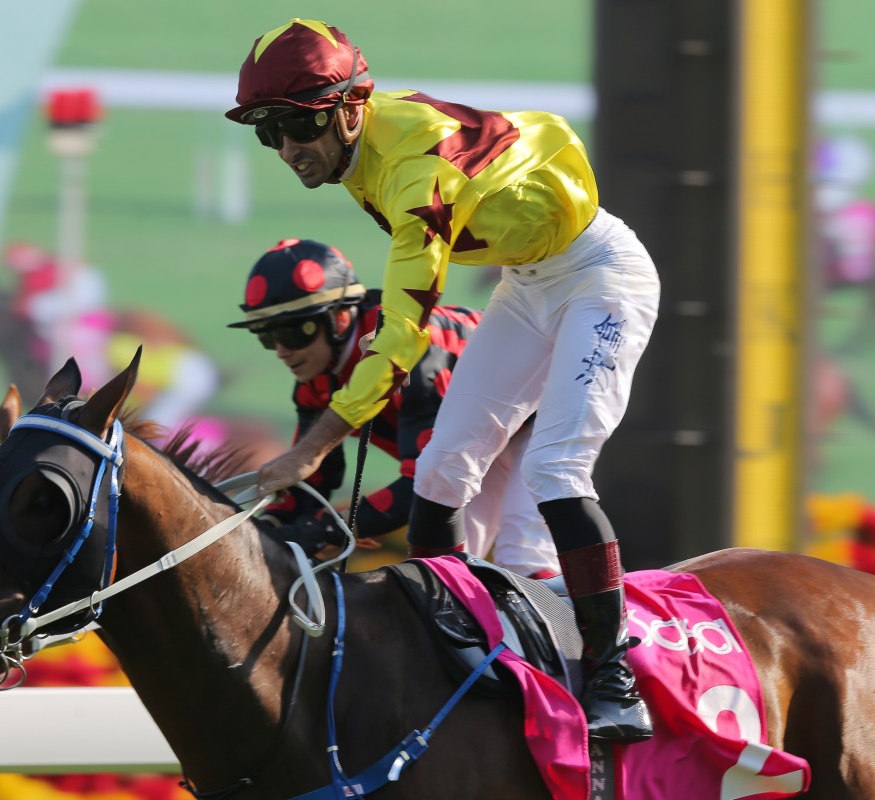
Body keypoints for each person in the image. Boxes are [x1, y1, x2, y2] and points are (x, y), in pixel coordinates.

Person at [226, 19, 660, 742]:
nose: (287, 150)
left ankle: (615, 677)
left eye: (295, 127)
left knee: (557, 469)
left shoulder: (414, 172)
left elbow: (403, 330)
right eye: (268, 133)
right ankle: (447, 643)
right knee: (439, 469)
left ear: (348, 106)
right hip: (527, 284)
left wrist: (316, 446)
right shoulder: (363, 140)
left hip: (600, 277)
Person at [229, 238, 560, 579]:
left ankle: (602, 628)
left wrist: (330, 529)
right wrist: (265, 527)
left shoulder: (413, 352)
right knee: (448, 577)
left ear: (341, 318)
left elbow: (423, 483)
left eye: (295, 331)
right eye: (267, 337)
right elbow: (312, 482)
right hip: (474, 445)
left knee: (523, 558)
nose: (282, 350)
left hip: (538, 412)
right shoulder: (315, 379)